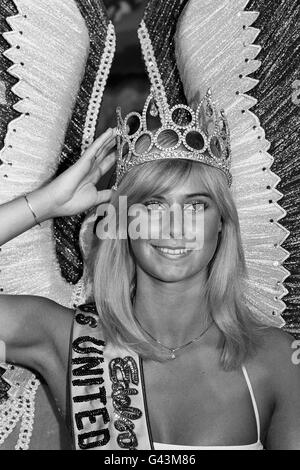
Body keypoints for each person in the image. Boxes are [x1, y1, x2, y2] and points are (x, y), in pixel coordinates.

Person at [0, 113, 299, 450]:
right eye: (154, 205)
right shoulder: (63, 339)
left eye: (196, 206)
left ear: (222, 223)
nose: (174, 227)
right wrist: (44, 204)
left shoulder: (275, 359)